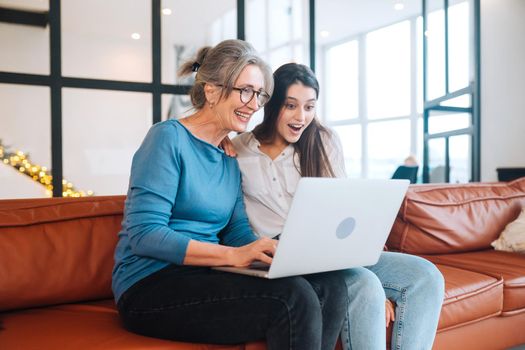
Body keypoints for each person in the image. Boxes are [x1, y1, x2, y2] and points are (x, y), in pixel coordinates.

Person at [112, 40, 349, 350]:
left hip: (204, 274)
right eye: (245, 91)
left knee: (330, 285)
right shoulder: (167, 137)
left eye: (260, 94)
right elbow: (145, 234)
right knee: (293, 298)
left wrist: (269, 252)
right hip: (151, 284)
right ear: (211, 91)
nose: (254, 104)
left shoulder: (228, 155)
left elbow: (236, 230)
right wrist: (233, 256)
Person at [230, 63, 445, 350]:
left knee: (426, 276)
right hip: (282, 256)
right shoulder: (237, 149)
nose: (301, 117)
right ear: (271, 104)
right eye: (291, 106)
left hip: (329, 251)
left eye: (309, 107)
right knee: (365, 285)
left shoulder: (323, 140)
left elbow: (344, 210)